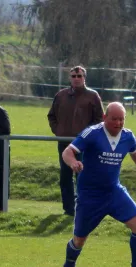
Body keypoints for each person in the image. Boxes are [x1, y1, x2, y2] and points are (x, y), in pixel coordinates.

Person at [61, 102, 136, 267]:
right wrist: (73, 163)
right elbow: (68, 151)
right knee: (79, 240)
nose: (118, 123)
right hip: (90, 195)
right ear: (104, 118)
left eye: (122, 119)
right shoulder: (92, 133)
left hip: (114, 191)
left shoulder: (128, 137)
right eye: (114, 119)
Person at [47, 65, 104, 216]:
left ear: (84, 78)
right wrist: (58, 131)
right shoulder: (61, 95)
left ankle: (84, 207)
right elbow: (51, 116)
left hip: (84, 145)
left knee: (83, 176)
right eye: (73, 76)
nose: (76, 79)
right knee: (65, 176)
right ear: (70, 78)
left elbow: (99, 120)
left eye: (79, 76)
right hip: (64, 142)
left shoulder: (93, 96)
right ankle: (69, 209)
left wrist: (89, 136)